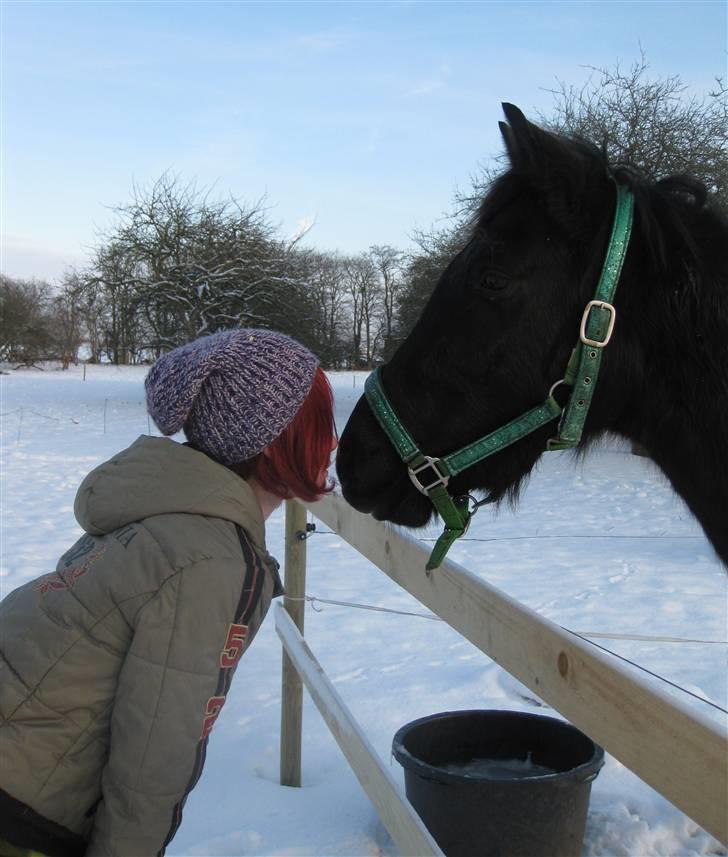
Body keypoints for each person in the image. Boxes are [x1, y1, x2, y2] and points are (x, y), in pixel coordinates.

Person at [0, 329, 336, 857]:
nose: (333, 441)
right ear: (273, 440)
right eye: (320, 423)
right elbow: (153, 762)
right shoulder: (210, 559)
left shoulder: (167, 512)